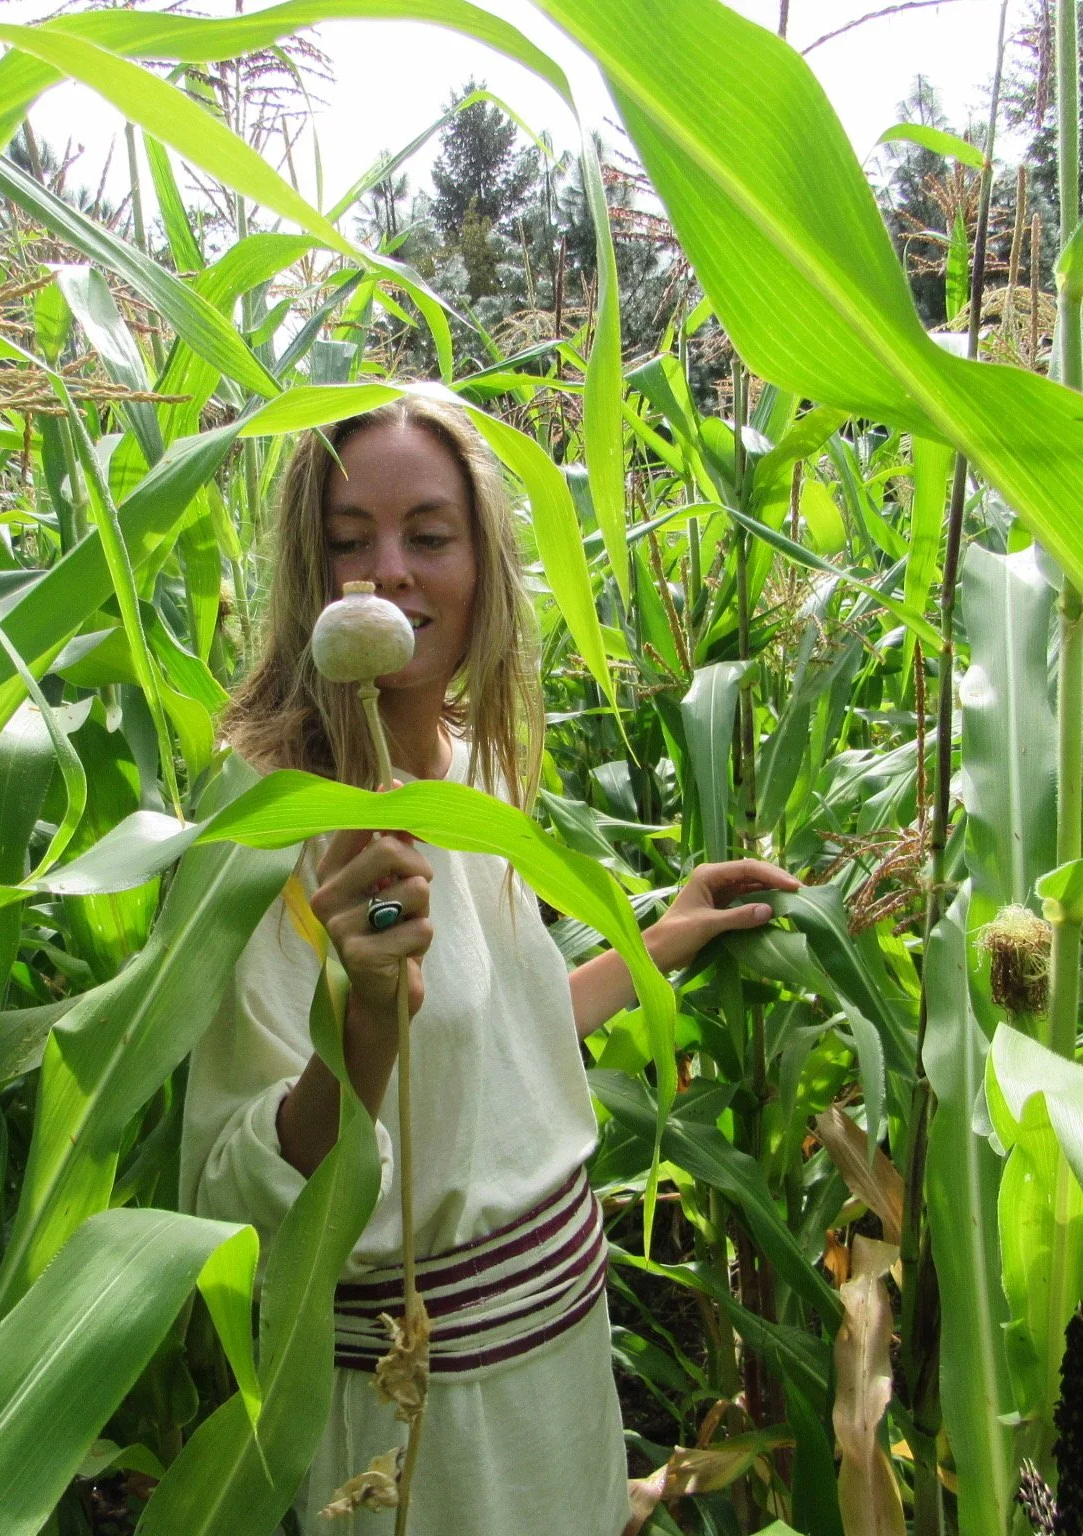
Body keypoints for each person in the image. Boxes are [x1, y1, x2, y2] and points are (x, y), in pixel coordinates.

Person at [180, 392, 797, 1534]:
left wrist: (659, 940)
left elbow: (491, 1052)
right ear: (307, 575)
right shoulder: (269, 836)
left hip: (555, 1351)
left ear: (484, 568)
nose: (387, 574)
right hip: (421, 1406)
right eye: (348, 540)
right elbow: (229, 1185)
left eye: (427, 535)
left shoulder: (478, 776)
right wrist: (357, 1028)